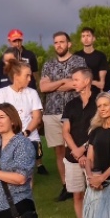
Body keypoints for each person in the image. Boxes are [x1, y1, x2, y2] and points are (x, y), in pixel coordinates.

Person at [41, 32, 87, 203]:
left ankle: (82, 183)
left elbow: (77, 84)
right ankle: (66, 185)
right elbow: (44, 87)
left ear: (69, 44)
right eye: (56, 42)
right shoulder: (48, 64)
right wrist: (62, 82)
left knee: (75, 147)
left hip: (73, 111)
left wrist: (55, 84)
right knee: (59, 150)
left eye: (62, 42)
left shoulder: (78, 61)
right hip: (51, 111)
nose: (59, 45)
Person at [62, 68, 99, 218]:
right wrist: (75, 150)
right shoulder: (71, 104)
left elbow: (99, 129)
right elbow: (65, 131)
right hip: (72, 157)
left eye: (76, 79)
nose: (73, 82)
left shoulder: (100, 101)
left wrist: (83, 149)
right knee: (77, 195)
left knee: (95, 195)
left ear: (86, 81)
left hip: (93, 155)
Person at [0, 58, 45, 180]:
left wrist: (25, 133)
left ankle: (27, 198)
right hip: (7, 140)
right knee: (10, 174)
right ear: (16, 76)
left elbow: (37, 118)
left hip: (30, 138)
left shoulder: (32, 93)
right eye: (27, 76)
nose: (30, 79)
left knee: (27, 175)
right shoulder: (2, 93)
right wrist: (12, 137)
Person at [0, 28, 39, 95]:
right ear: (9, 41)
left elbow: (35, 75)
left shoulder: (30, 55)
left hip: (27, 90)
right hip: (9, 90)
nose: (17, 44)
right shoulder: (3, 57)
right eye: (14, 41)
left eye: (19, 41)